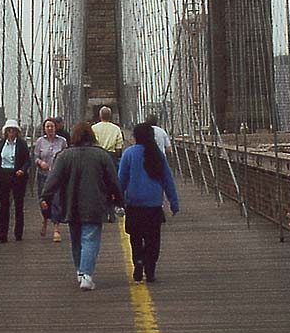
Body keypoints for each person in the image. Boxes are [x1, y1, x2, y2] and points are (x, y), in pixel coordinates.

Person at [40, 121, 123, 291]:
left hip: (71, 203)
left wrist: (45, 197)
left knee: (76, 238)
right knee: (90, 237)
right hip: (95, 203)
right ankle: (86, 274)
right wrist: (119, 201)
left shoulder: (64, 156)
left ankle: (80, 270)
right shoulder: (101, 155)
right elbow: (113, 181)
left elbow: (53, 179)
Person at [118, 123, 180, 283]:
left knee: (136, 237)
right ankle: (150, 269)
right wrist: (174, 202)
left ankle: (138, 262)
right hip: (153, 205)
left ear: (135, 137)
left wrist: (117, 199)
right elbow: (168, 180)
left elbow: (121, 179)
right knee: (153, 239)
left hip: (134, 204)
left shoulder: (129, 154)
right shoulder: (158, 154)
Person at [0, 118, 31, 243]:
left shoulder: (22, 144)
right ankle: (2, 233)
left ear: (17, 132)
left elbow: (28, 160)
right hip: (4, 175)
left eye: (13, 131)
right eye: (9, 131)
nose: (11, 133)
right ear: (6, 132)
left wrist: (22, 170)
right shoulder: (2, 143)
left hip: (17, 176)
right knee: (4, 205)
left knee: (18, 205)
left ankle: (18, 232)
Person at [32, 117, 68, 241]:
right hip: (43, 175)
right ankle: (45, 220)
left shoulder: (62, 141)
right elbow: (35, 157)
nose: (49, 129)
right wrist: (40, 162)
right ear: (44, 128)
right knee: (43, 201)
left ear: (55, 127)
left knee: (56, 200)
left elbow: (66, 157)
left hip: (57, 177)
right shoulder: (40, 142)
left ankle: (56, 229)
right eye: (47, 126)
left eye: (51, 126)